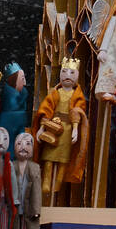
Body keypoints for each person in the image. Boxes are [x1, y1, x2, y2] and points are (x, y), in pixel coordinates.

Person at [34, 57, 89, 205]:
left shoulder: (77, 94)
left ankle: (57, 186)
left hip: (68, 130)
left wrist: (76, 129)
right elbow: (46, 109)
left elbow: (78, 110)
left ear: (77, 75)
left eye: (72, 72)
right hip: (53, 127)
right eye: (64, 72)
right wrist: (41, 127)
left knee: (64, 161)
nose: (68, 75)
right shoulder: (54, 92)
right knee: (49, 158)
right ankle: (46, 185)